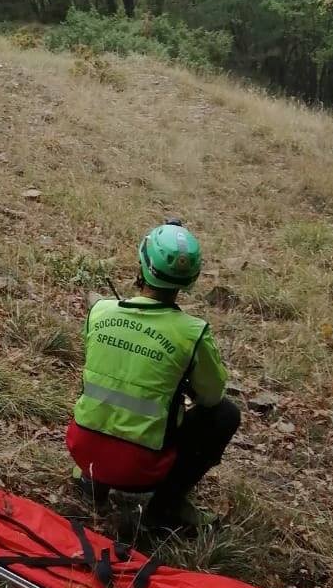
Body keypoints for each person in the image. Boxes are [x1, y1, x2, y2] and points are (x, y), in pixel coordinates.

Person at [66, 221, 241, 535]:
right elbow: (212, 398)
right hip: (141, 472)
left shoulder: (101, 312)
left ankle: (91, 480)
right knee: (225, 414)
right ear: (191, 279)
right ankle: (165, 506)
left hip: (83, 451)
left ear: (143, 263)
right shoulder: (192, 333)